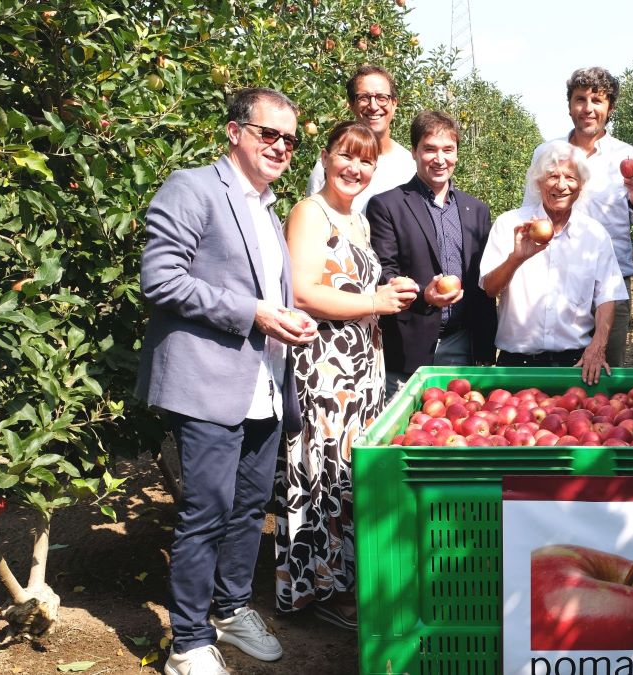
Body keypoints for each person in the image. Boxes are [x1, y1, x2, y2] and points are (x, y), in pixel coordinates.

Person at [137, 87, 317, 675]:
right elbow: (161, 279)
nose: (281, 147)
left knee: (246, 509)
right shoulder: (192, 188)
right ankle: (187, 643)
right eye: (269, 134)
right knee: (206, 510)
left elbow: (265, 293)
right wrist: (257, 314)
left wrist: (286, 314)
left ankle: (232, 608)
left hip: (262, 380)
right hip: (209, 381)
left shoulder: (265, 207)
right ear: (234, 132)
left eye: (290, 139)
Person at [274, 121, 420, 629]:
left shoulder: (354, 219)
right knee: (320, 473)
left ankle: (343, 579)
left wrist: (388, 290)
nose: (355, 168)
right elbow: (303, 292)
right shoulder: (310, 214)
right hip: (325, 364)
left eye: (366, 161)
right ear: (326, 156)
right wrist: (375, 300)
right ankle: (316, 588)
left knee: (346, 475)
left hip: (359, 366)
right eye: (346, 156)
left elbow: (353, 284)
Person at [523, 67, 633, 367]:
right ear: (569, 105)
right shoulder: (546, 154)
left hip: (610, 287)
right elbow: (531, 218)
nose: (588, 108)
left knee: (605, 385)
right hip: (555, 280)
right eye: (580, 99)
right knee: (554, 382)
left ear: (610, 107)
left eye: (597, 100)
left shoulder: (628, 157)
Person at [367, 110, 498, 396]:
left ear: (457, 155)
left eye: (448, 150)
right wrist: (422, 295)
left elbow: (483, 282)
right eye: (430, 149)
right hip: (407, 346)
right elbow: (384, 270)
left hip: (462, 345)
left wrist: (487, 348)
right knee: (406, 433)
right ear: (414, 152)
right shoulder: (387, 206)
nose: (440, 159)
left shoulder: (476, 211)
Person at [481, 140, 627, 385]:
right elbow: (489, 288)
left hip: (575, 364)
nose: (561, 185)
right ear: (538, 182)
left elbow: (607, 297)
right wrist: (516, 258)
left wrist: (598, 346)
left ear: (581, 184)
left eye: (570, 177)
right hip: (517, 364)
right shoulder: (510, 225)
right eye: (552, 176)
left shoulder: (594, 234)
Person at [306, 65, 414, 212]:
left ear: (394, 103)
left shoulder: (410, 166)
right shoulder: (330, 167)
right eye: (364, 98)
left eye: (382, 98)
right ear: (351, 105)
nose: (373, 106)